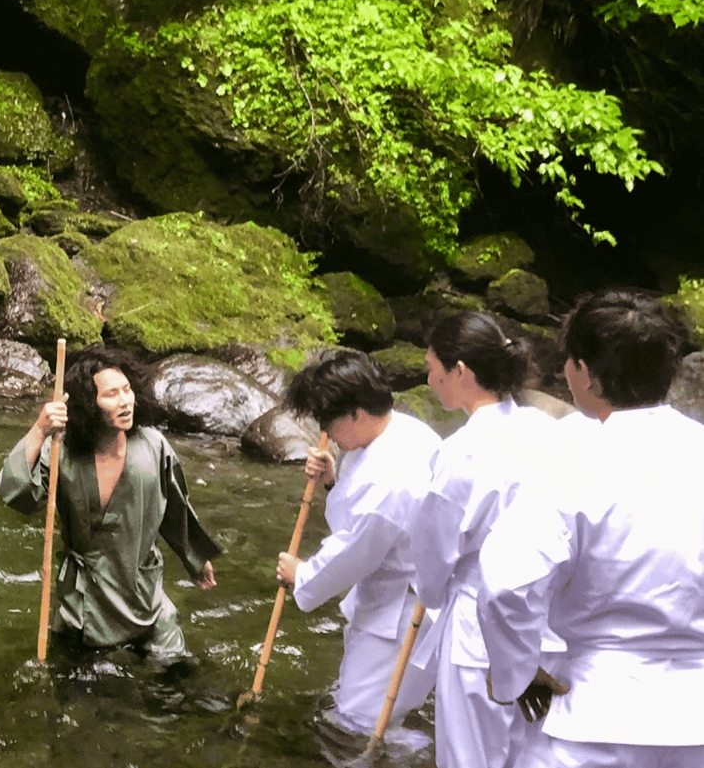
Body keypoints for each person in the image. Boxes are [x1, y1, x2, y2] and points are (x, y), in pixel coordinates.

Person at [478, 289, 704, 768]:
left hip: (596, 718)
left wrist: (516, 672)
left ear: (583, 372)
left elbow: (505, 585)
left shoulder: (569, 459)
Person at [0, 346, 220, 665]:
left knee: (177, 681)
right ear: (89, 404)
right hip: (86, 602)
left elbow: (175, 507)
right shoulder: (63, 452)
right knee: (83, 696)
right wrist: (40, 429)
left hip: (144, 592)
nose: (125, 401)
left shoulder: (153, 445)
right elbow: (14, 491)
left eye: (127, 390)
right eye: (111, 394)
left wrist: (194, 557)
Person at [409, 312, 561, 768]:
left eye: (433, 366)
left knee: (469, 756)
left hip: (479, 625)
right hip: (549, 623)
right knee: (531, 755)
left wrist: (432, 590)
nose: (430, 379)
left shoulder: (461, 451)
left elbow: (434, 553)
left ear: (460, 371)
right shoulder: (548, 431)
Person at [274, 348, 441, 734]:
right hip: (399, 588)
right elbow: (364, 520)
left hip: (402, 609)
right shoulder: (404, 431)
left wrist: (302, 574)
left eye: (327, 420)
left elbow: (354, 549)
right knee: (372, 706)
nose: (326, 431)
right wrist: (335, 480)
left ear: (356, 414)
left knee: (360, 721)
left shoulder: (390, 477)